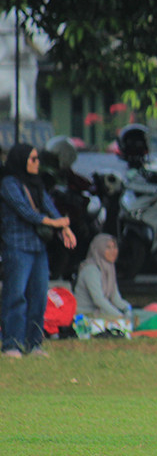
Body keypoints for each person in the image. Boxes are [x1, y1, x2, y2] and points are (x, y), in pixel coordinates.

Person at [1, 144, 77, 358]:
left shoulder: (36, 183)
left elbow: (49, 206)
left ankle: (33, 343)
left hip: (37, 247)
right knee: (16, 296)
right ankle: (12, 344)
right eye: (32, 159)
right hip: (17, 246)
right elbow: (24, 211)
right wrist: (54, 223)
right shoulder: (9, 184)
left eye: (37, 158)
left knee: (39, 297)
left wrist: (64, 227)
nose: (37, 163)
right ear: (21, 160)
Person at [73, 233, 131, 318]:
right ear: (99, 249)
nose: (113, 251)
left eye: (115, 247)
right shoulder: (91, 270)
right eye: (108, 247)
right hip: (85, 315)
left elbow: (116, 298)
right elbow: (99, 300)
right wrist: (120, 316)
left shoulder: (109, 268)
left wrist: (127, 309)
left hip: (100, 313)